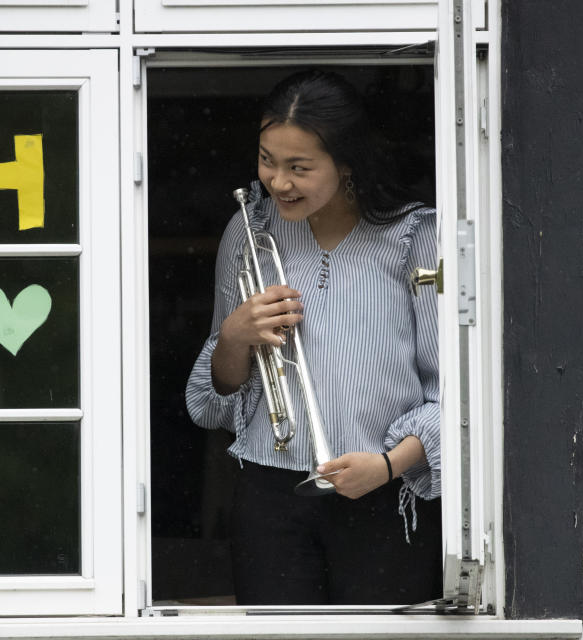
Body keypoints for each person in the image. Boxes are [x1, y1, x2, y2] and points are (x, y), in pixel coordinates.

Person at [185, 69, 441, 606]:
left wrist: (391, 464)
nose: (278, 182)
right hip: (268, 492)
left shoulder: (414, 235)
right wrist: (235, 335)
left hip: (388, 488)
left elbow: (453, 390)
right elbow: (214, 405)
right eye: (267, 160)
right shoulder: (249, 231)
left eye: (299, 167)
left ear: (348, 165)